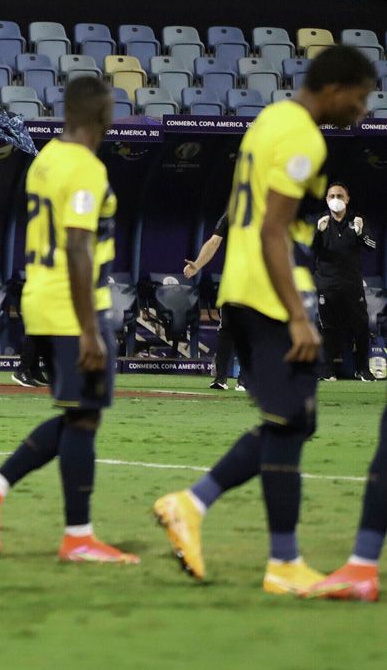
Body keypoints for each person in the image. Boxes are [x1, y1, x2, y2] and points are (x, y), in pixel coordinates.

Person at [154, 46, 375, 596]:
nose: (364, 108)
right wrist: (299, 317)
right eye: (361, 94)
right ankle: (269, 553)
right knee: (293, 420)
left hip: (248, 289)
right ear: (334, 87)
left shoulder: (267, 122)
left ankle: (220, 520)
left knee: (292, 420)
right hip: (268, 295)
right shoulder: (303, 136)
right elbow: (275, 228)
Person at [0, 77, 138, 564]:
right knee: (83, 417)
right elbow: (79, 245)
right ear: (101, 115)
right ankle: (77, 536)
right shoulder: (84, 168)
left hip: (42, 296)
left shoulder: (48, 162)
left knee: (80, 413)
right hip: (71, 304)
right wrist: (87, 328)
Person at [314, 181, 377, 381]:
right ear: (326, 199)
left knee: (360, 326)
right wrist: (317, 233)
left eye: (340, 196)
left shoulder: (357, 220)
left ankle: (362, 369)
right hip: (327, 284)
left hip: (352, 285)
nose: (336, 200)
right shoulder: (320, 221)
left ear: (347, 199)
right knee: (327, 329)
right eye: (332, 196)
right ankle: (327, 370)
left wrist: (360, 234)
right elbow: (307, 249)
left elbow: (372, 246)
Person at [184, 211, 245, 391]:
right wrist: (197, 265)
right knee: (227, 327)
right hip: (234, 279)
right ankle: (221, 379)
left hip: (259, 279)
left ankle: (246, 379)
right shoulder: (232, 214)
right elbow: (214, 242)